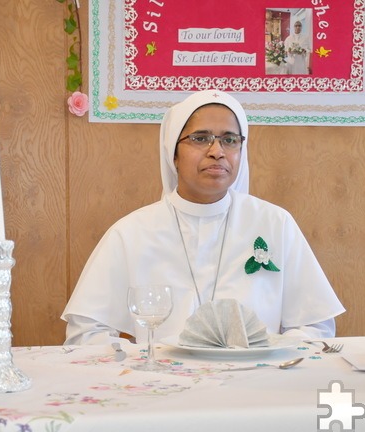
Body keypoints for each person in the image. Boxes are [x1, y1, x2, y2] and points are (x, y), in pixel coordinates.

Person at [61, 90, 345, 345]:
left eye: (229, 140)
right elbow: (86, 332)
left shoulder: (275, 223)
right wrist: (144, 359)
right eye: (200, 138)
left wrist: (271, 355)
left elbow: (316, 325)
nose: (217, 152)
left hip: (255, 385)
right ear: (174, 153)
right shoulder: (131, 232)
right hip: (164, 387)